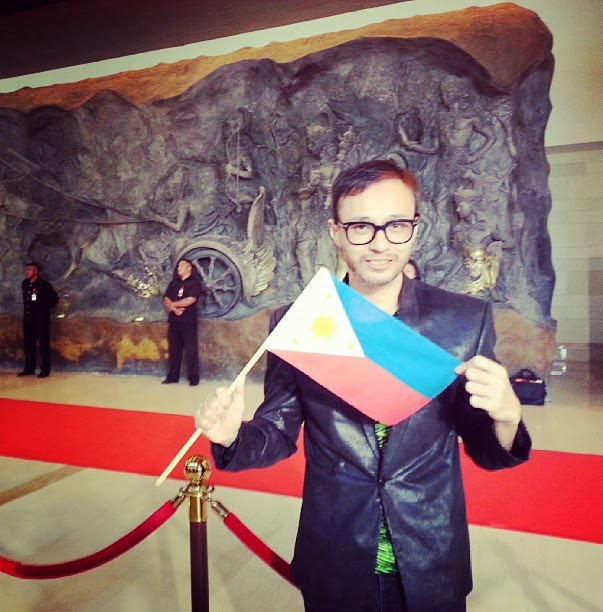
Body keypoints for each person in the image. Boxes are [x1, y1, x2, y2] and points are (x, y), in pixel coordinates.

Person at [195, 160, 531, 611]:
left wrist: (507, 416)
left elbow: (485, 447)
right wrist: (231, 436)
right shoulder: (303, 323)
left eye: (396, 225)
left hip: (431, 554)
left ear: (415, 229)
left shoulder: (463, 322)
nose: (379, 243)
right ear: (336, 232)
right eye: (360, 226)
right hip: (335, 553)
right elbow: (277, 431)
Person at [162, 258, 201, 386]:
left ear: (189, 268)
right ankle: (173, 377)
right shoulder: (174, 283)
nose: (178, 268)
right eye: (178, 266)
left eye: (182, 266)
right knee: (174, 350)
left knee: (191, 350)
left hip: (188, 322)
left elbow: (191, 299)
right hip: (174, 321)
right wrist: (174, 308)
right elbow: (166, 298)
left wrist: (173, 304)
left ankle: (193, 378)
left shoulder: (194, 283)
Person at [19, 262, 59, 378]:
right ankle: (29, 368)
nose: (27, 271)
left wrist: (43, 308)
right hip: (28, 319)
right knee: (29, 344)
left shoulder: (44, 285)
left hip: (41, 320)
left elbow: (55, 299)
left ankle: (45, 369)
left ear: (36, 272)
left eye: (29, 269)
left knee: (43, 344)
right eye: (26, 269)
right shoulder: (25, 283)